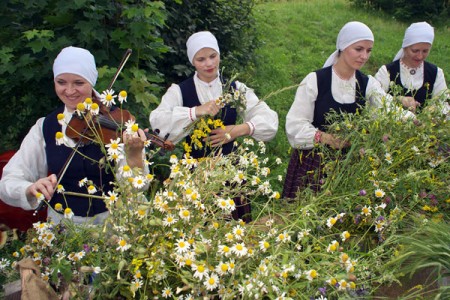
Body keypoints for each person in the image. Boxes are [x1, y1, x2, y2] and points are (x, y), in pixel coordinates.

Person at [0, 46, 148, 225]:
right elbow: (9, 180)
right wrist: (30, 187)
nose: (69, 91)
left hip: (114, 224)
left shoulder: (120, 122)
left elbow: (138, 188)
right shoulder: (45, 126)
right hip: (65, 226)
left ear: (91, 82)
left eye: (78, 83)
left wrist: (134, 157)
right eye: (61, 82)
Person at [149, 31, 279, 222]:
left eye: (213, 56)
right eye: (201, 59)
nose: (209, 64)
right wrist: (194, 112)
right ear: (192, 61)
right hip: (195, 175)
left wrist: (237, 130)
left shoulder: (235, 88)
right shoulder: (180, 91)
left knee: (235, 229)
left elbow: (269, 120)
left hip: (230, 172)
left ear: (219, 55)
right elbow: (158, 123)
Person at [282, 21, 400, 199]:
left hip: (348, 164)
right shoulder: (316, 80)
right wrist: (327, 138)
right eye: (359, 49)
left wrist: (422, 123)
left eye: (369, 50)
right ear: (343, 47)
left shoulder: (367, 84)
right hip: (313, 162)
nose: (364, 56)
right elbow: (294, 125)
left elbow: (390, 110)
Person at [374, 22, 448, 112]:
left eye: (425, 51)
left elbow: (443, 104)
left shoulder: (436, 73)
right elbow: (374, 99)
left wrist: (434, 111)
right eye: (415, 51)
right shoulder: (387, 71)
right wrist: (397, 99)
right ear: (405, 47)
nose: (420, 56)